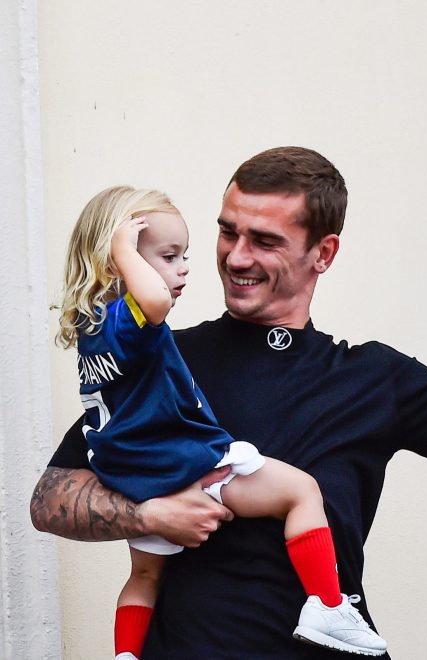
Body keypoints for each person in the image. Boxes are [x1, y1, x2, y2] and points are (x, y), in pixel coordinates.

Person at [30, 146, 427, 659]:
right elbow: (50, 498)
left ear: (323, 253)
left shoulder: (372, 377)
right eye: (227, 231)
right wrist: (150, 517)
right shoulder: (163, 357)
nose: (236, 256)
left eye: (265, 240)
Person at [56, 185, 387, 658]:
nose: (184, 268)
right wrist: (126, 251)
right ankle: (328, 605)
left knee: (145, 575)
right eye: (169, 257)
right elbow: (154, 303)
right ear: (119, 264)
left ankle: (126, 654)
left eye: (184, 254)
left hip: (131, 474)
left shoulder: (92, 332)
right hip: (181, 459)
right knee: (301, 491)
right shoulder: (128, 320)